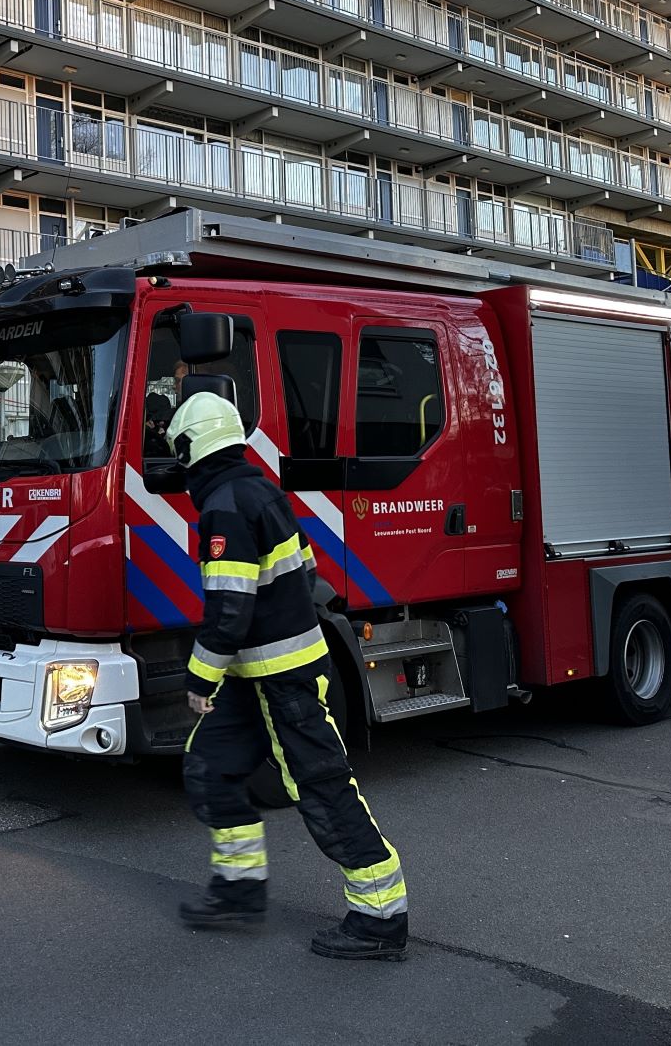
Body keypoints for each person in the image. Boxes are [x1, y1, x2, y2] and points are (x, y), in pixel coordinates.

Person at [167, 392, 408, 960]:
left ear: (192, 445)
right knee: (210, 767)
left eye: (177, 448)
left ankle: (380, 918)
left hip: (284, 680)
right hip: (259, 674)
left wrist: (199, 680)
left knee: (322, 789)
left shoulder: (226, 505)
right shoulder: (259, 491)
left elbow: (229, 609)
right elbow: (307, 570)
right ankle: (238, 894)